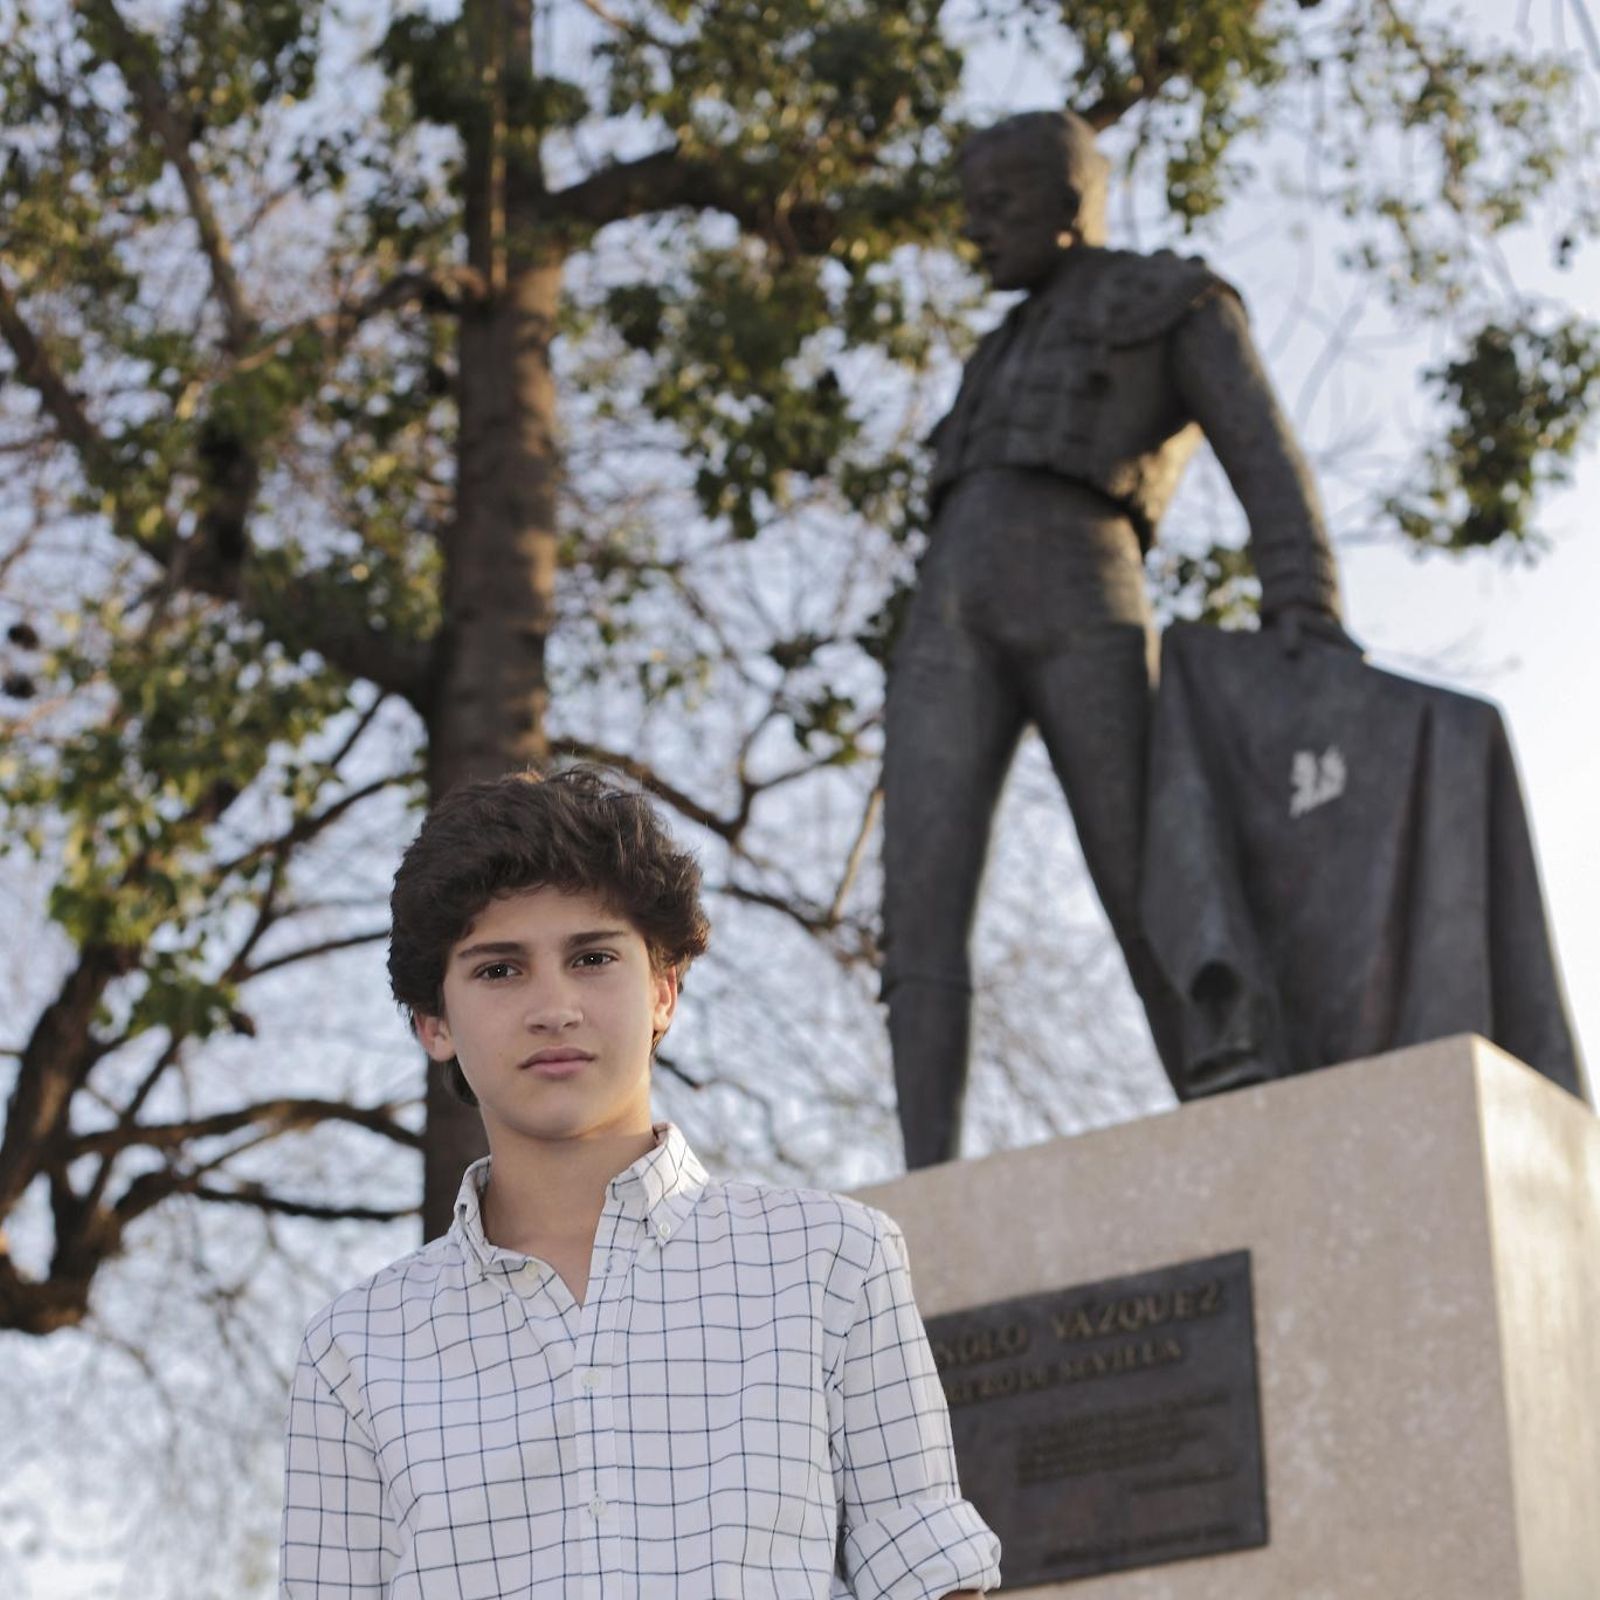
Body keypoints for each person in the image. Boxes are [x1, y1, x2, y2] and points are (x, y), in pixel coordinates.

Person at [279, 765, 1001, 1599]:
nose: (554, 1007)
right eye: (499, 970)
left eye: (591, 957)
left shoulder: (833, 1261)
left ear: (663, 991)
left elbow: (928, 1574)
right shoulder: (357, 1350)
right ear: (433, 1023)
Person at [881, 110, 1349, 1168]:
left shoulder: (1170, 297)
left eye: (997, 205)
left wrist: (1303, 597)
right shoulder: (991, 353)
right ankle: (923, 1190)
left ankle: (1233, 1113)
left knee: (1142, 864)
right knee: (917, 897)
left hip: (1082, 580)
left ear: (1069, 198)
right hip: (948, 604)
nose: (976, 230)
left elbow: (1262, 457)